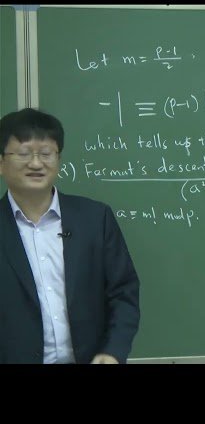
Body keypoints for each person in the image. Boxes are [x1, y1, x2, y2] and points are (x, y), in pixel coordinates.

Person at [0, 108, 140, 364]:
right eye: (23, 153)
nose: (36, 163)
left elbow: (123, 293)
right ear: (1, 162)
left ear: (59, 159)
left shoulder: (95, 218)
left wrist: (112, 351)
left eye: (46, 153)